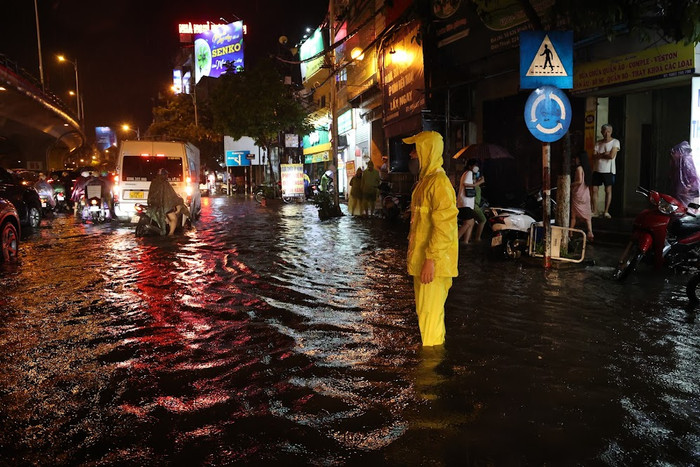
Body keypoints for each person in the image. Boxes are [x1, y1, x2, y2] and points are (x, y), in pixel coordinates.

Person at [403, 131, 458, 347]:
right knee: (427, 318)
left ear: (427, 151)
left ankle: (429, 374)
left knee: (429, 321)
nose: (411, 154)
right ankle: (433, 366)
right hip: (424, 265)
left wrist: (430, 260)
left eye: (416, 149)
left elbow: (445, 226)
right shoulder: (425, 183)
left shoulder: (439, 183)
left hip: (432, 267)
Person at [147, 168, 190, 235]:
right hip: (164, 206)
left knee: (168, 218)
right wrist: (180, 201)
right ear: (165, 175)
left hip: (154, 205)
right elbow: (172, 196)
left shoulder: (154, 182)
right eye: (166, 175)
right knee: (174, 219)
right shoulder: (165, 183)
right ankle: (171, 234)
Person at [590, 123, 620, 218]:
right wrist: (604, 154)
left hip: (608, 170)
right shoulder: (598, 143)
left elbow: (611, 156)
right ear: (601, 132)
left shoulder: (615, 142)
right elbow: (593, 156)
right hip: (596, 169)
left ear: (611, 132)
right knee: (594, 189)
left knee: (608, 190)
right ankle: (594, 210)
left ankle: (606, 211)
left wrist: (600, 155)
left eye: (609, 131)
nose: (607, 133)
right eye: (605, 131)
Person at [571, 151, 594, 241]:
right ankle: (590, 232)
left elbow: (580, 181)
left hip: (578, 194)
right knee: (587, 216)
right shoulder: (587, 169)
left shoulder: (579, 168)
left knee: (573, 216)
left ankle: (570, 233)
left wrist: (571, 184)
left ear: (579, 159)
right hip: (585, 193)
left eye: (576, 158)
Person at [669, 141, 699, 207]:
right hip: (680, 191)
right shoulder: (677, 162)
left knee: (683, 208)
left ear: (680, 152)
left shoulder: (686, 161)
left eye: (674, 152)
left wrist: (687, 188)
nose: (672, 154)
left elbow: (693, 177)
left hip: (685, 192)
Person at [456, 164, 476, 245]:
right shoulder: (469, 173)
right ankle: (455, 240)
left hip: (465, 202)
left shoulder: (467, 173)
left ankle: (466, 241)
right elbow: (466, 184)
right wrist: (478, 183)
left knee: (471, 222)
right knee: (468, 222)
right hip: (466, 202)